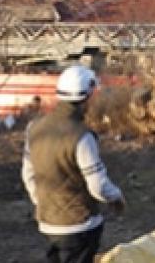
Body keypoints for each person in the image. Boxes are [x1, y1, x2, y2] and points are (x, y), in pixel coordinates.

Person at [22, 66, 125, 263]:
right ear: (86, 96)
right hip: (80, 224)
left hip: (48, 222)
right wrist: (116, 197)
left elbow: (28, 174)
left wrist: (42, 203)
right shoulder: (82, 136)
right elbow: (98, 186)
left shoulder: (34, 128)